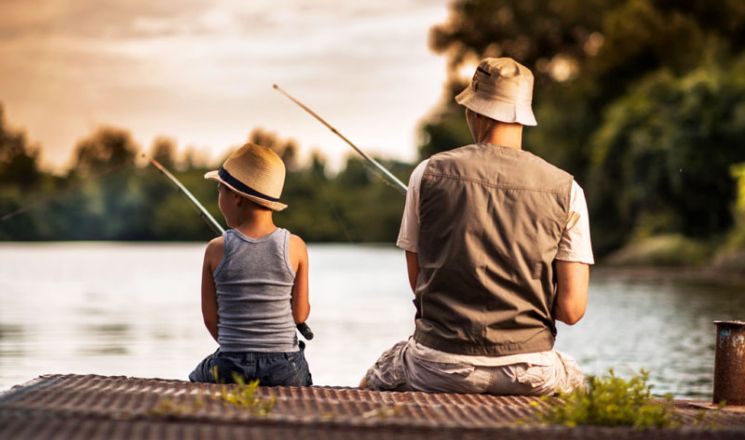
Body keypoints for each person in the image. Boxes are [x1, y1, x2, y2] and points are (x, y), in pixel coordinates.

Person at [361, 58, 594, 395]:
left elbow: (419, 284)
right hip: (530, 370)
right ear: (523, 117)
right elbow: (571, 311)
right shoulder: (567, 189)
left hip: (437, 365)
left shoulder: (426, 174)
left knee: (371, 380)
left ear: (476, 111)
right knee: (582, 390)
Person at [189, 143, 312, 386]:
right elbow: (300, 314)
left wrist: (237, 350)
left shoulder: (215, 249)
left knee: (197, 376)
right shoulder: (295, 246)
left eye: (219, 189)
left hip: (230, 364)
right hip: (284, 366)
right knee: (301, 373)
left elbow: (210, 319)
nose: (218, 197)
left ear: (235, 197)